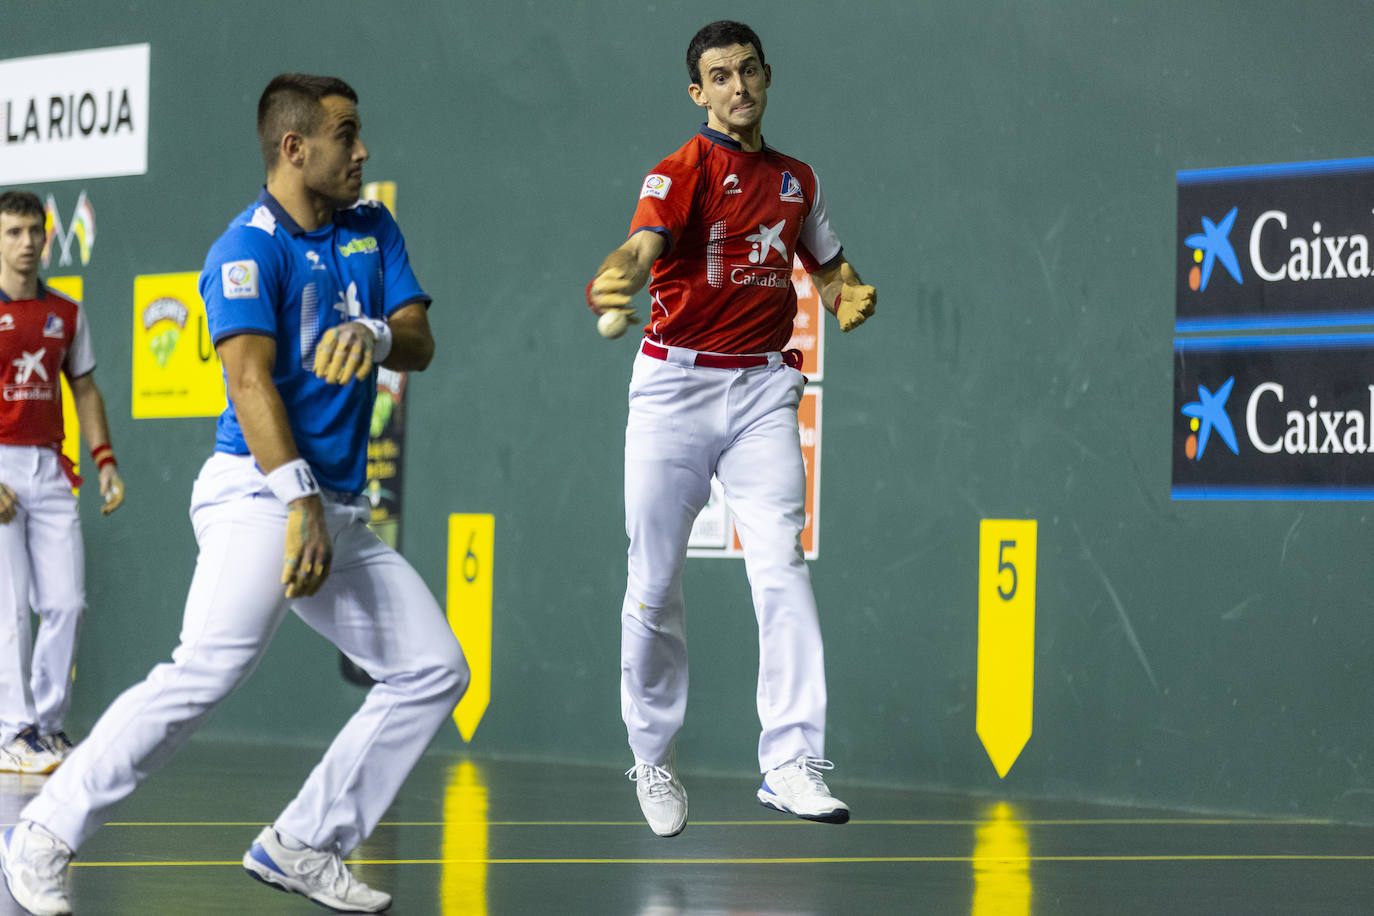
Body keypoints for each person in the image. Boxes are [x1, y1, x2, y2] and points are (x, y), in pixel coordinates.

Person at [0, 73, 469, 916]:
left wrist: (372, 330)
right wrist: (298, 504)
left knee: (434, 669)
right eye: (345, 135)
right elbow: (250, 384)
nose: (362, 152)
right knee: (205, 670)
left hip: (333, 505)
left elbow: (420, 340)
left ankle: (304, 841)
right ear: (295, 149)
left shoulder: (372, 227)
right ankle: (42, 833)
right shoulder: (246, 249)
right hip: (258, 492)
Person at [586, 20, 877, 838]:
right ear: (698, 92)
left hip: (760, 392)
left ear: (768, 76)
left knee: (781, 563)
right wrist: (618, 276)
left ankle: (790, 763)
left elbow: (827, 266)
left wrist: (849, 294)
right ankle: (651, 753)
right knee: (654, 583)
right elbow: (642, 246)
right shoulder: (680, 172)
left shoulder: (797, 180)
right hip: (672, 390)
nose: (737, 86)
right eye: (720, 76)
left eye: (748, 71)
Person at [0, 190, 125, 777]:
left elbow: (85, 390)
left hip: (50, 468)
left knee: (66, 603)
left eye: (33, 231)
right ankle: (11, 731)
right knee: (10, 610)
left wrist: (103, 460)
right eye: (13, 232)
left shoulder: (67, 312)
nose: (26, 243)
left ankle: (45, 728)